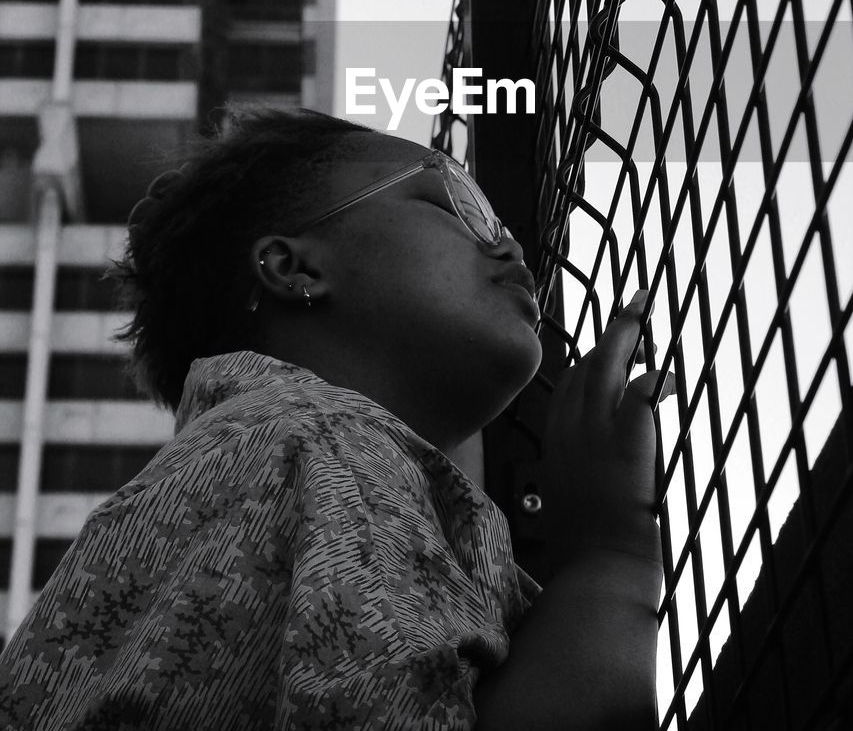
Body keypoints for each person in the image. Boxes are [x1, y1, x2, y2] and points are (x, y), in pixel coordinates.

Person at [0, 107, 670, 730]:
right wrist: (611, 555)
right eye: (457, 202)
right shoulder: (321, 442)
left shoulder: (266, 452)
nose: (508, 245)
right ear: (294, 268)